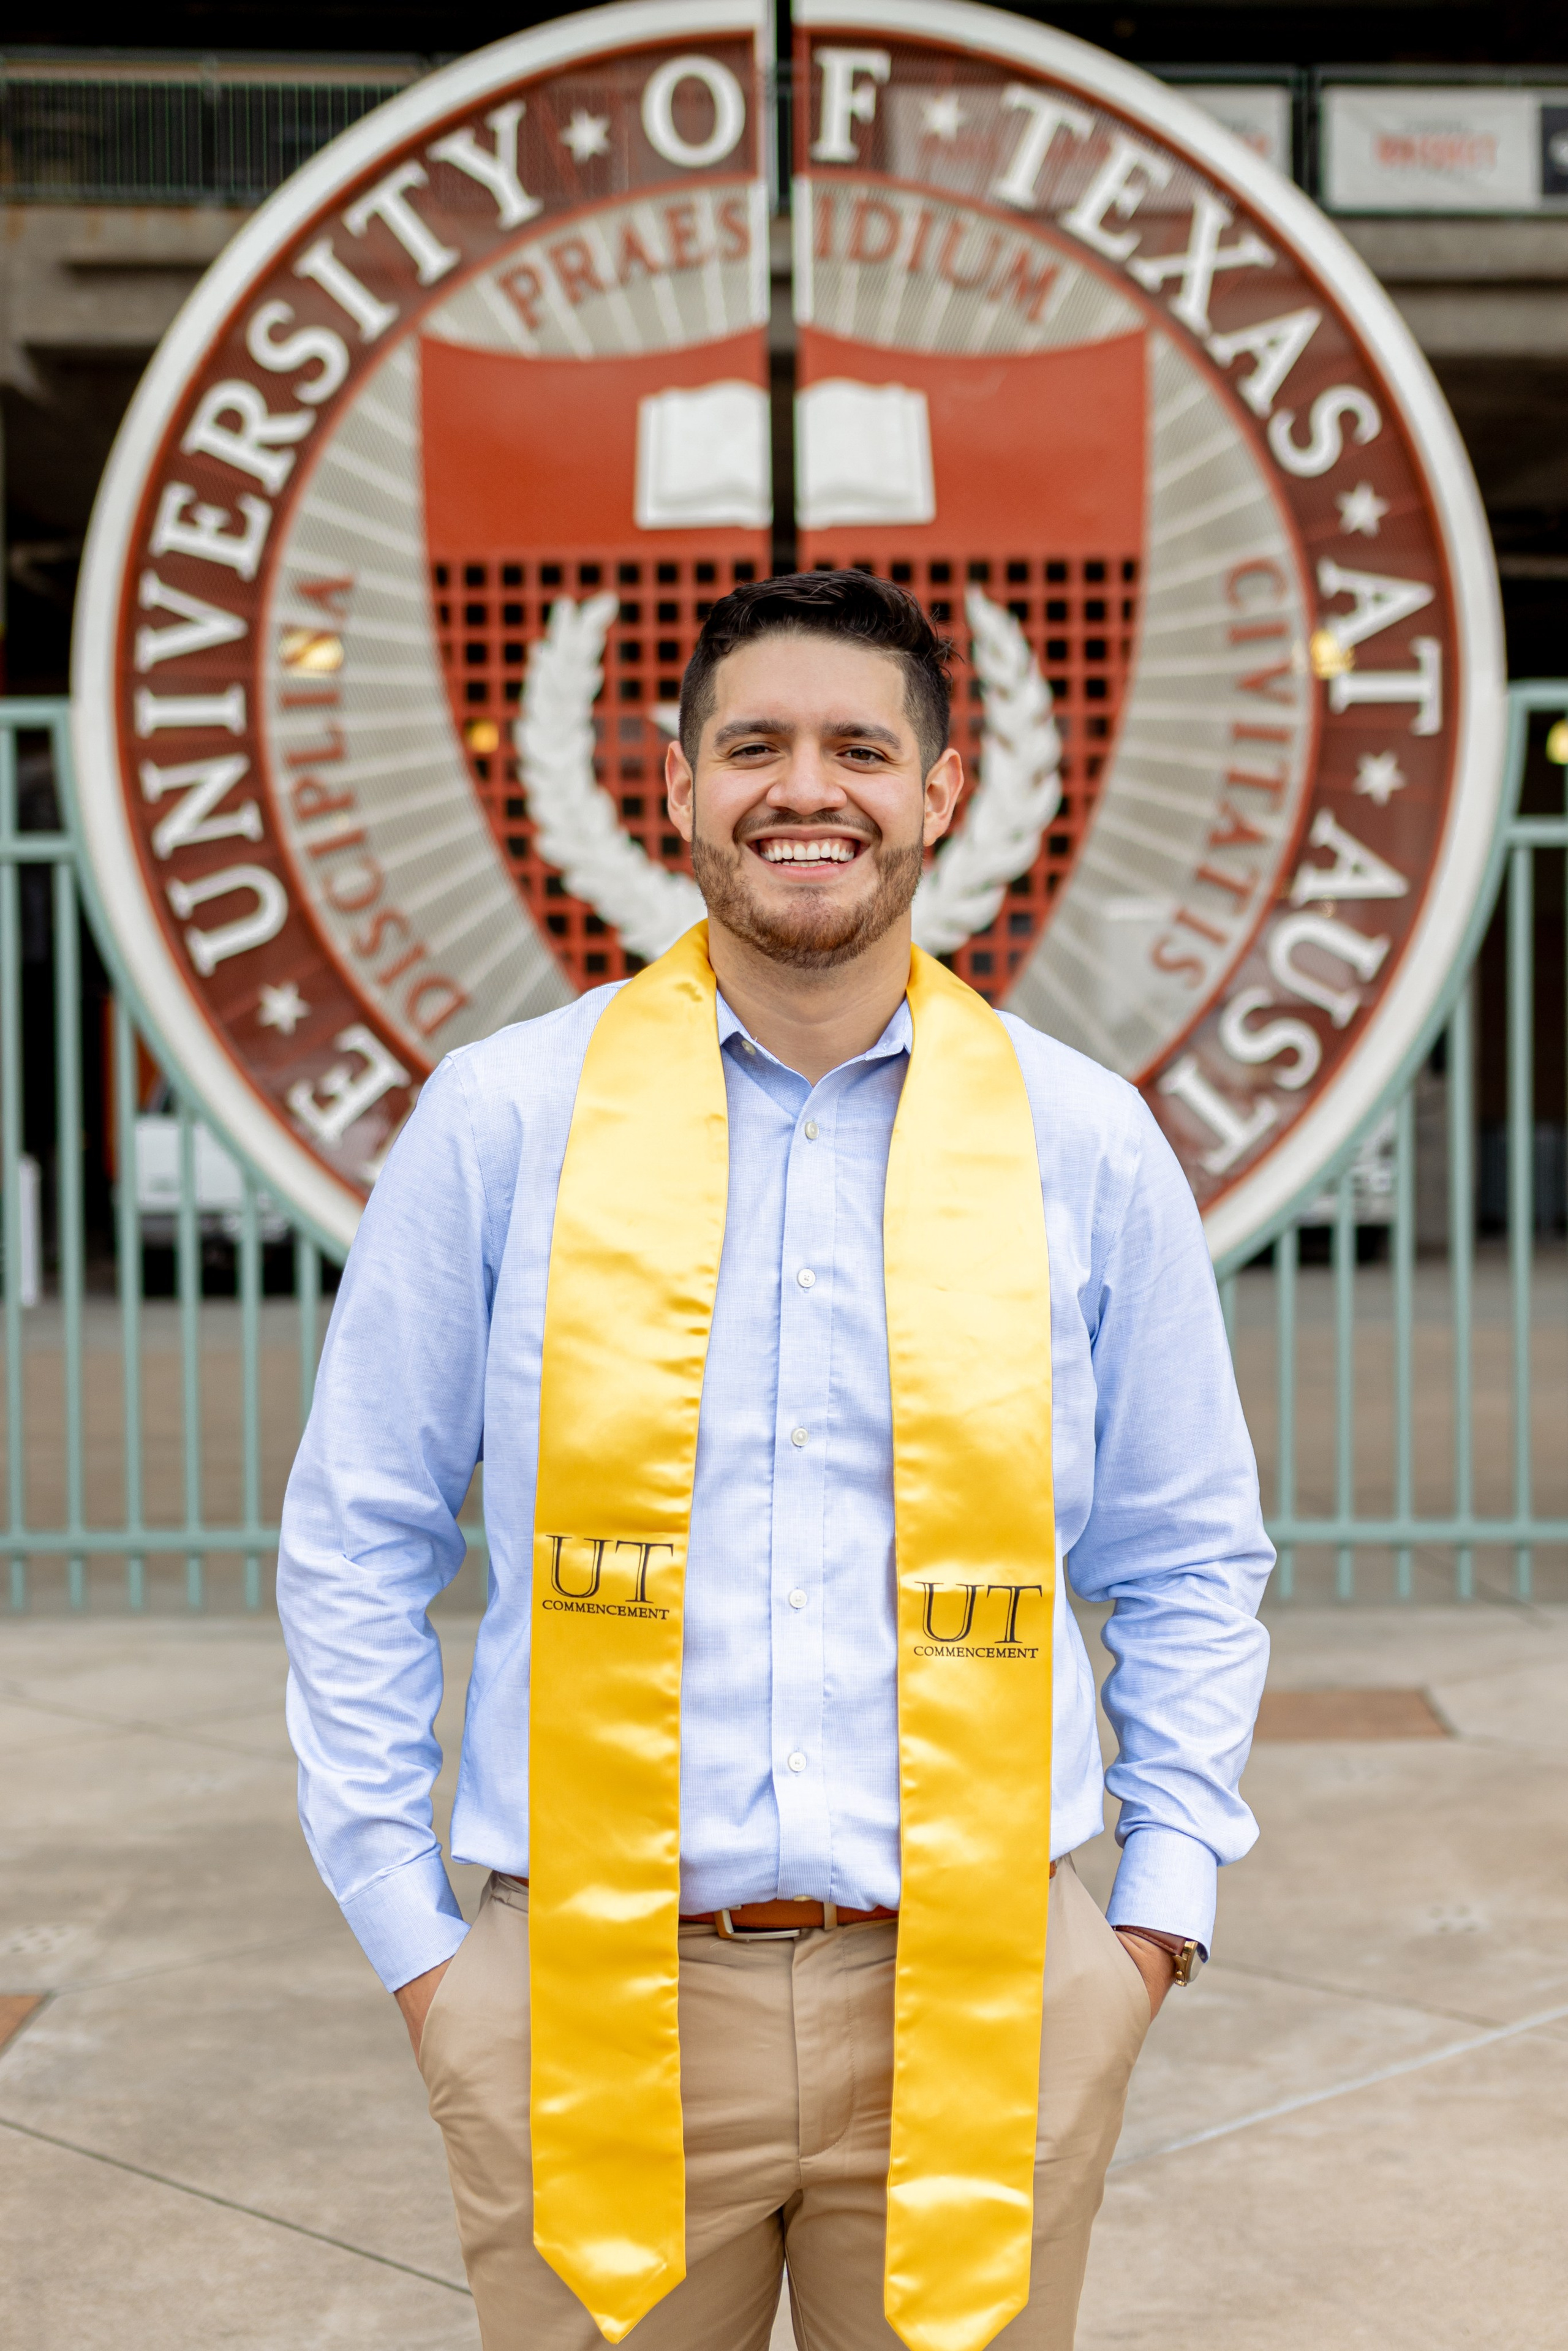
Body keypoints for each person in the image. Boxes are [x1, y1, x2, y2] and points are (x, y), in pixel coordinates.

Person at [278, 570, 1272, 2351]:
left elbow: (1189, 1552)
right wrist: (425, 1956)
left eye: (858, 750)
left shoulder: (1083, 1142)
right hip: (587, 1987)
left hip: (990, 1987)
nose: (804, 790)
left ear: (945, 791)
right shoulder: (506, 1120)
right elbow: (355, 1535)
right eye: (754, 746)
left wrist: (1148, 1930)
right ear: (673, 784)